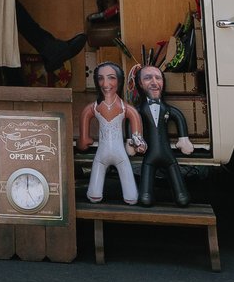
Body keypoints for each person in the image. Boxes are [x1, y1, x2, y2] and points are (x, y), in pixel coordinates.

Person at [77, 61, 143, 204]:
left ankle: (130, 195)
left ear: (119, 80)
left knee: (131, 195)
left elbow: (136, 130)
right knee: (94, 193)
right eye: (100, 78)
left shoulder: (126, 108)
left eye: (111, 77)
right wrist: (84, 139)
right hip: (102, 153)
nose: (105, 83)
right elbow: (84, 130)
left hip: (120, 153)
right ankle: (96, 192)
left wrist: (137, 141)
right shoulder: (93, 108)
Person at [132, 63, 195, 206]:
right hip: (149, 153)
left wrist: (183, 139)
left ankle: (181, 194)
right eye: (148, 78)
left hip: (167, 152)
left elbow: (178, 116)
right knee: (147, 177)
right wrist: (133, 140)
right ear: (140, 84)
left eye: (158, 78)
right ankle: (146, 194)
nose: (154, 83)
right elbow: (132, 121)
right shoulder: (138, 110)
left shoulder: (167, 109)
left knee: (174, 170)